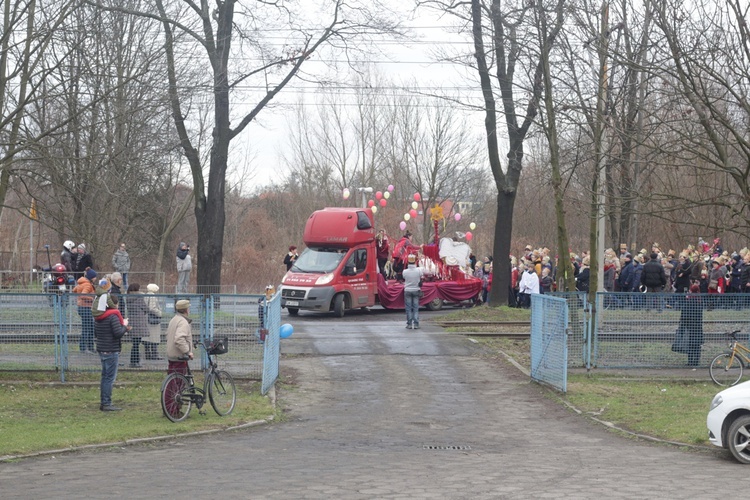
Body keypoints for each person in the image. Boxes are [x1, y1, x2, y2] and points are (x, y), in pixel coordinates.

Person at [94, 294, 131, 411]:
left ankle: (104, 402)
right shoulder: (113, 316)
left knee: (105, 377)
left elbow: (96, 333)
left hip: (102, 348)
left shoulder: (99, 316)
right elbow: (117, 333)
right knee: (109, 378)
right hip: (111, 349)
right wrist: (124, 326)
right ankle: (106, 403)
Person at [72, 268, 97, 353]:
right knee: (87, 328)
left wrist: (78, 300)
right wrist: (92, 299)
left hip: (82, 307)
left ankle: (89, 347)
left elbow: (74, 290)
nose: (95, 278)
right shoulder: (87, 285)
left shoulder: (81, 283)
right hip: (86, 307)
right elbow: (83, 295)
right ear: (91, 277)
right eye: (94, 277)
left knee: (89, 327)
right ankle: (84, 348)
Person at [166, 299, 194, 374]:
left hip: (172, 354)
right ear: (186, 310)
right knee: (178, 382)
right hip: (179, 355)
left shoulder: (174, 319)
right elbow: (179, 339)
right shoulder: (183, 322)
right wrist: (188, 352)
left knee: (172, 379)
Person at [125, 283, 148, 368]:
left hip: (132, 322)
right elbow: (146, 308)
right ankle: (135, 361)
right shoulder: (139, 297)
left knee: (134, 343)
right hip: (139, 322)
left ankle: (133, 361)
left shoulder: (128, 297)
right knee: (136, 344)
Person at [402, 254, 425, 329]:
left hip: (407, 290)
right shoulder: (418, 271)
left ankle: (409, 324)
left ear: (408, 262)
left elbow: (403, 278)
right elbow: (422, 275)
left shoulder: (405, 271)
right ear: (415, 262)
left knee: (408, 308)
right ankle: (416, 324)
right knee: (415, 308)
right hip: (416, 290)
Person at [143, 283, 163, 360]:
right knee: (154, 337)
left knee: (147, 337)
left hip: (146, 318)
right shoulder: (152, 296)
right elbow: (152, 308)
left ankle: (148, 353)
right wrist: (159, 313)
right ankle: (155, 354)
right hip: (152, 320)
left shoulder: (145, 296)